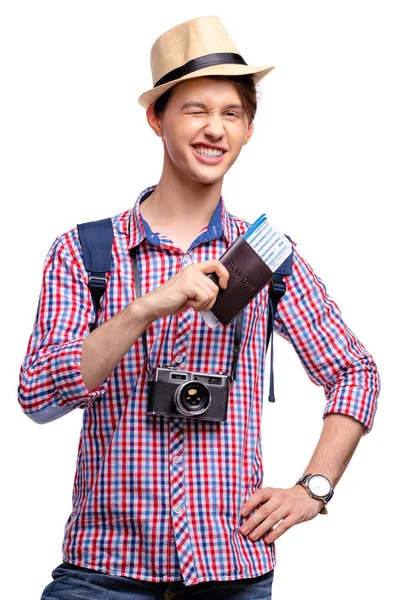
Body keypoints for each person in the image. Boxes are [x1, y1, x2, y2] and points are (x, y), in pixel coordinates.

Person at [19, 15, 380, 600]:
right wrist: (144, 308)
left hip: (231, 575)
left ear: (248, 130)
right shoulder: (86, 252)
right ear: (156, 119)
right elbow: (37, 396)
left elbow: (354, 372)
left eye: (231, 113)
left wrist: (312, 489)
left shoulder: (267, 257)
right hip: (104, 576)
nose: (214, 129)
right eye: (195, 110)